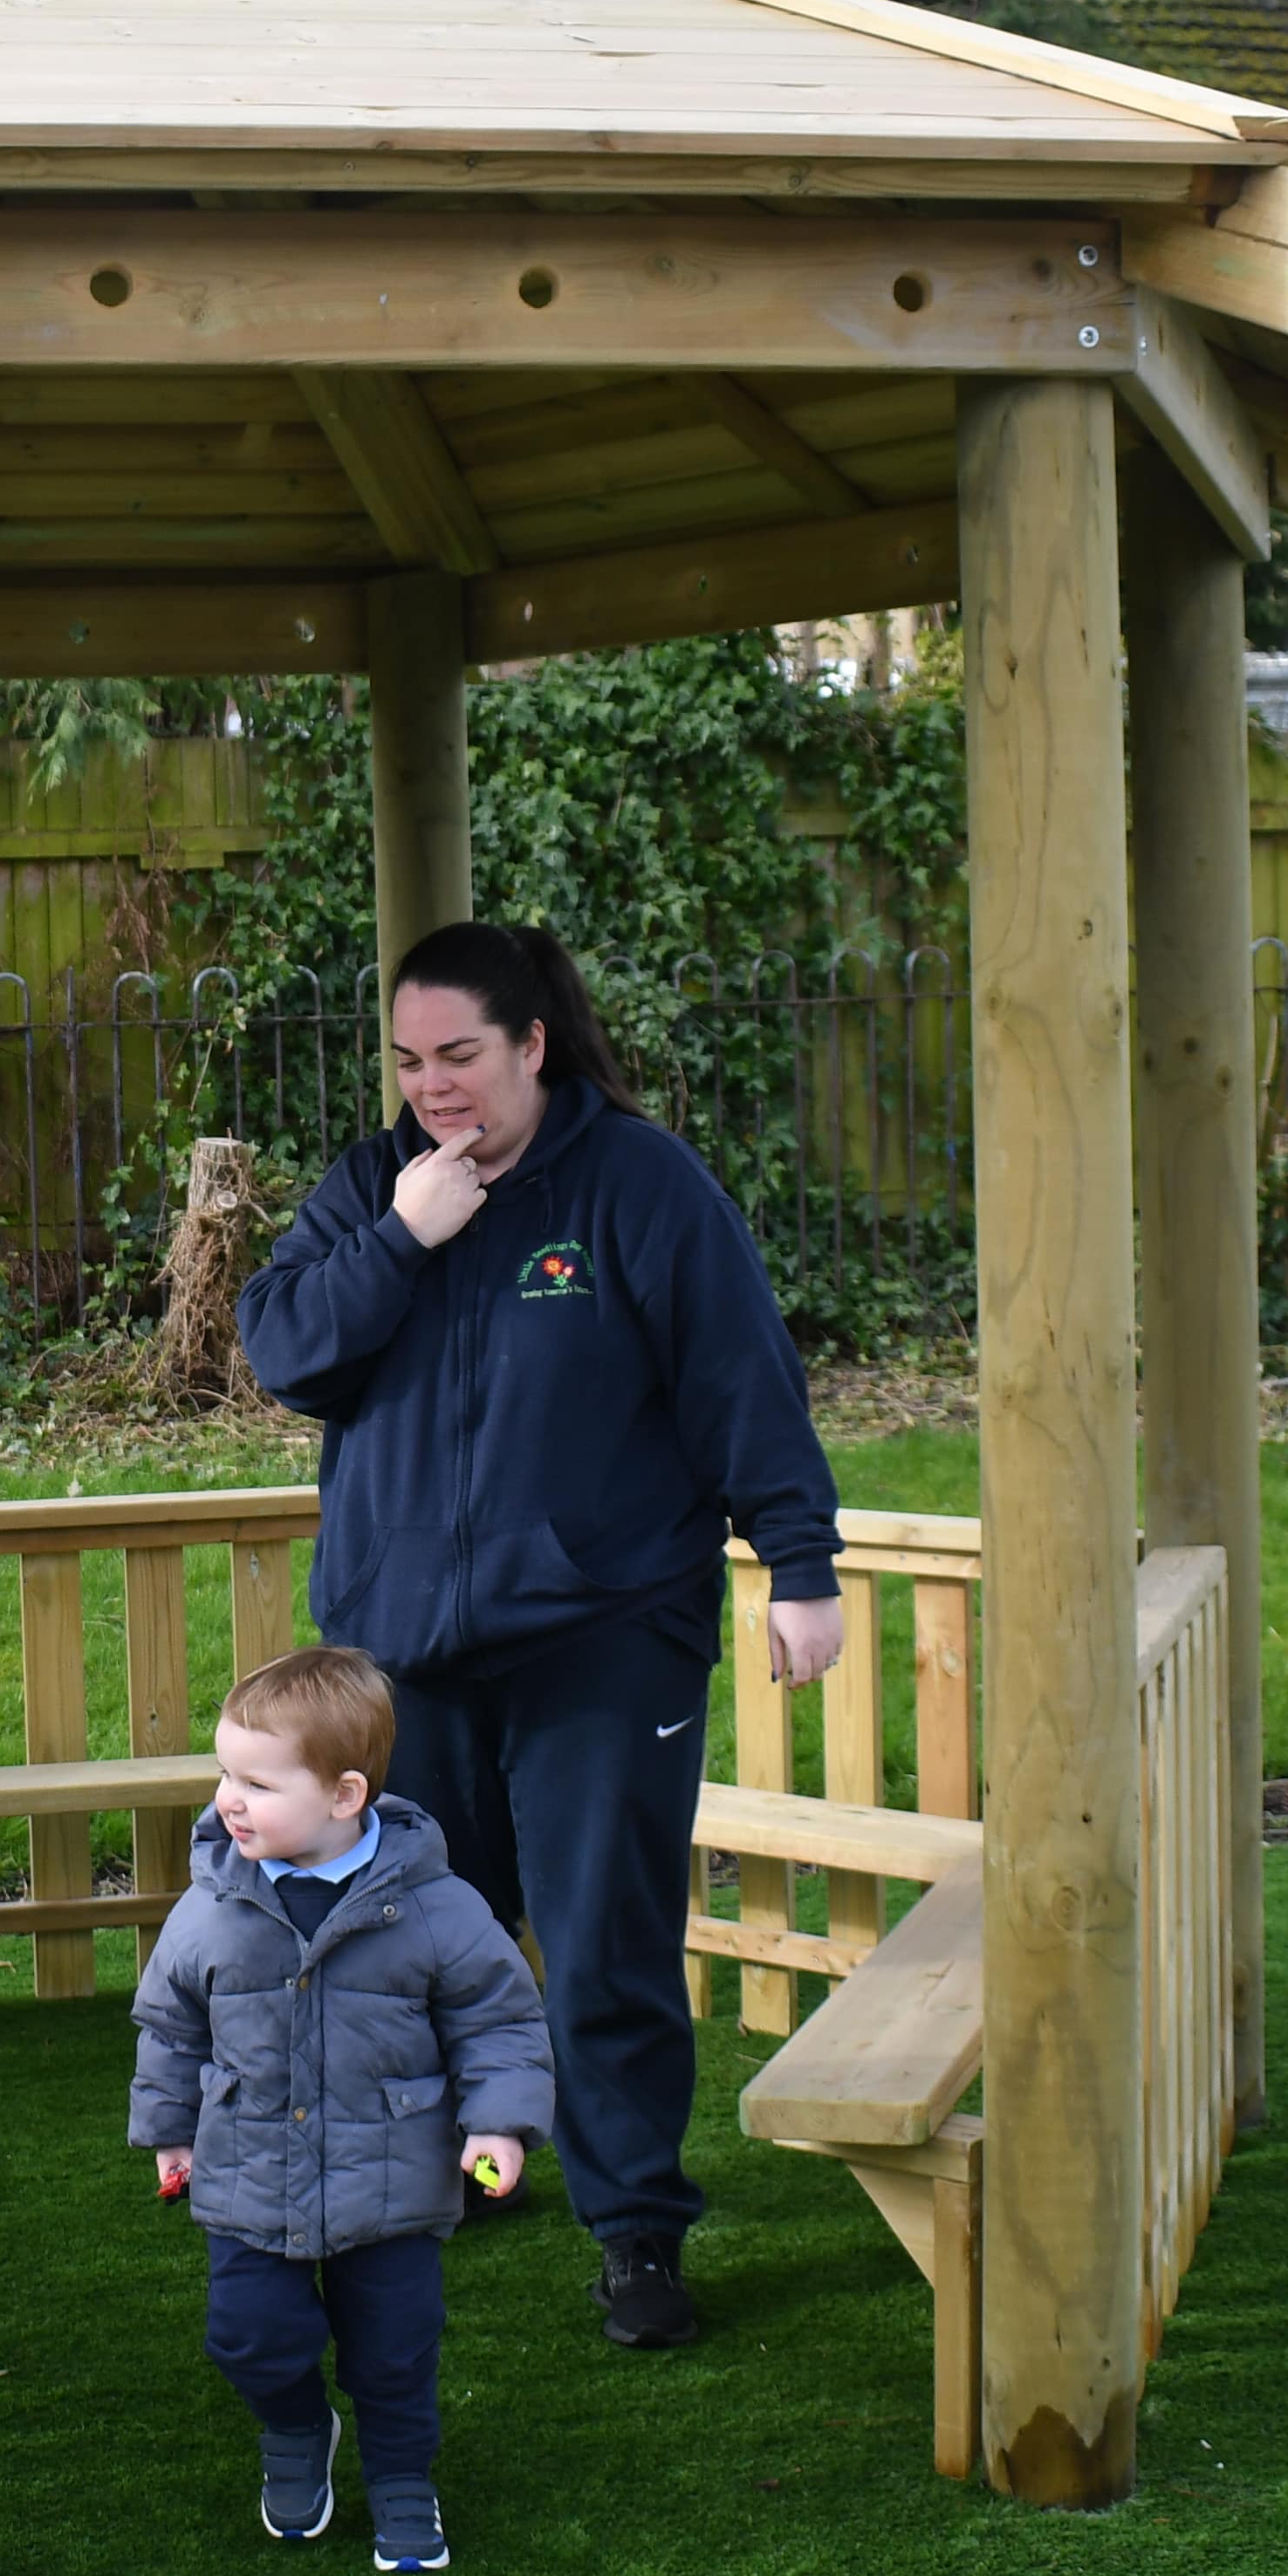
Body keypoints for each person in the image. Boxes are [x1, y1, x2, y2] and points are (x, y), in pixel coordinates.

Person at [236, 921, 846, 2353]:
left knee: (600, 1939)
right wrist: (404, 1234)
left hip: (598, 1635)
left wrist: (798, 1565)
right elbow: (284, 1349)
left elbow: (739, 1382)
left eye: (458, 1054)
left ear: (532, 1045)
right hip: (405, 1648)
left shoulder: (638, 1186)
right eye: (406, 1058)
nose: (430, 1085)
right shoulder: (372, 1188)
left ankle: (635, 2231)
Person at [130, 1645, 554, 2574]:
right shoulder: (210, 1909)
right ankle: (294, 2426)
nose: (226, 1799)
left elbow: (500, 2019)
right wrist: (167, 2131)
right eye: (224, 1774)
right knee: (248, 2334)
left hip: (391, 2179)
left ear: (346, 1793)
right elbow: (169, 2027)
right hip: (249, 2170)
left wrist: (497, 2124)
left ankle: (402, 2480)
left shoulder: (435, 1907)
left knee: (394, 2352)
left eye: (256, 1781)